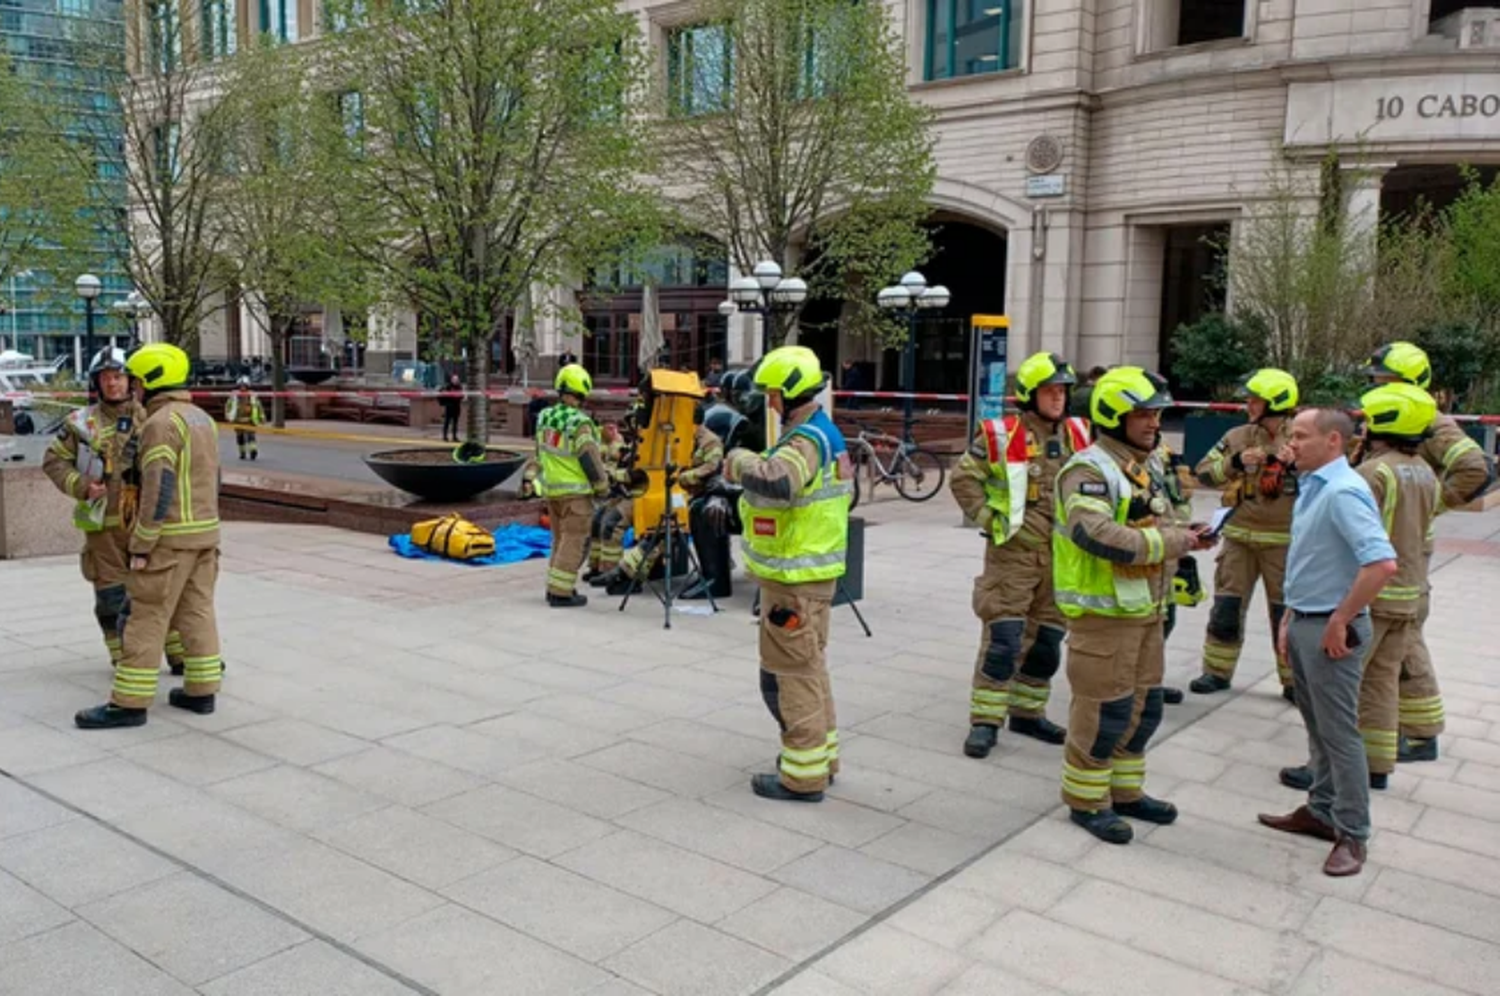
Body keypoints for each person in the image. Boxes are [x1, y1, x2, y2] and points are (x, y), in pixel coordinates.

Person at [1054, 367, 1216, 843]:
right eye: (1143, 413)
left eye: (1157, 413)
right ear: (1113, 415)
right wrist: (1173, 541)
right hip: (1103, 615)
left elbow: (1165, 517)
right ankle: (1087, 801)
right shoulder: (1089, 469)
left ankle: (1126, 791)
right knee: (1105, 712)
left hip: (1146, 608)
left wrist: (1190, 536)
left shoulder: (1150, 464)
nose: (1153, 422)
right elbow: (1097, 535)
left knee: (1143, 710)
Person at [1258, 408, 1399, 878]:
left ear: (1333, 441)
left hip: (1330, 629)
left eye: (1300, 436)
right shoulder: (1315, 484)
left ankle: (1353, 835)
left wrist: (1340, 619)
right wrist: (1292, 616)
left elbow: (1380, 563)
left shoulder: (1342, 491)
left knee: (1340, 734)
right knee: (1317, 726)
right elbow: (1313, 560)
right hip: (1306, 620)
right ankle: (1320, 811)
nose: (1290, 443)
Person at [1281, 384, 1438, 794]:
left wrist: (1341, 613)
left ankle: (1331, 779)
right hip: (1411, 591)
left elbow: (1362, 546)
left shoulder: (1369, 473)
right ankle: (1378, 764)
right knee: (1383, 682)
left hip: (1368, 597)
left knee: (1338, 699)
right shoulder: (1424, 470)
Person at [724, 346, 852, 802]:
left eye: (773, 392)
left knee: (788, 675)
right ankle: (822, 759)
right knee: (810, 668)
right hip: (813, 577)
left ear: (791, 390)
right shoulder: (827, 434)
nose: (769, 401)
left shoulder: (805, 441)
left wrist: (738, 460)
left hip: (794, 584)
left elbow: (779, 480)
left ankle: (802, 776)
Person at [75, 343, 225, 729]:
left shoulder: (161, 424)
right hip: (205, 535)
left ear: (152, 381)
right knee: (197, 612)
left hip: (170, 538)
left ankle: (129, 703)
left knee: (146, 616)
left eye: (136, 380)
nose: (133, 388)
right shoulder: (200, 419)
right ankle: (202, 690)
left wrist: (142, 544)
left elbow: (158, 488)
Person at [950, 352, 1091, 757]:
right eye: (1050, 391)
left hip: (1061, 559)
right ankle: (985, 721)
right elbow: (964, 478)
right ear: (1030, 394)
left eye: (1063, 391)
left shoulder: (1080, 434)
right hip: (1013, 557)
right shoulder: (1000, 434)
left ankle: (1028, 713)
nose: (1059, 398)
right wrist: (989, 519)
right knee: (1003, 641)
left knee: (1047, 641)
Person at [1363, 342, 1495, 762]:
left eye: (1382, 378)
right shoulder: (1394, 413)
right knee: (1403, 636)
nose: (1375, 383)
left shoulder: (1430, 421)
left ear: (1404, 380)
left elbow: (1477, 468)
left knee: (1404, 636)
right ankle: (1414, 728)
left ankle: (1419, 732)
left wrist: (1431, 501)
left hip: (1404, 547)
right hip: (1390, 542)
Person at [43, 347, 186, 675]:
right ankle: (124, 658)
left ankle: (180, 655)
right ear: (97, 382)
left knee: (160, 591)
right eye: (106, 377)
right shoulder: (81, 423)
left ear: (131, 380)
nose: (113, 384)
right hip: (102, 527)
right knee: (110, 597)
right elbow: (53, 461)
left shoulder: (152, 417)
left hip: (146, 522)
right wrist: (81, 485)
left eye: (119, 376)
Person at [1190, 368, 1300, 700]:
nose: (1248, 405)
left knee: (1286, 615)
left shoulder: (1302, 437)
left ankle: (1294, 682)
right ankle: (1216, 672)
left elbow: (1334, 477)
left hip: (1284, 544)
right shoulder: (1238, 436)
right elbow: (1203, 473)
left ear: (1276, 403)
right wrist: (1235, 461)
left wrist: (1297, 465)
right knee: (1226, 607)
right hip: (1239, 539)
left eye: (1255, 400)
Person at [599, 399, 725, 595]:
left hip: (687, 495)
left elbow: (712, 467)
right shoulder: (675, 436)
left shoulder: (710, 441)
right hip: (658, 490)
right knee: (613, 519)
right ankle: (612, 571)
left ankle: (628, 574)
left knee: (658, 531)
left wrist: (685, 477)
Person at [521, 364, 608, 607]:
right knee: (574, 540)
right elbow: (589, 457)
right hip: (576, 494)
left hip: (552, 492)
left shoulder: (545, 418)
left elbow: (539, 454)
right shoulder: (579, 422)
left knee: (559, 540)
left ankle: (553, 587)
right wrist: (602, 486)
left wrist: (530, 479)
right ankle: (561, 593)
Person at [1153, 434, 1204, 706]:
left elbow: (1176, 500)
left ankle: (1150, 681)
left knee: (1166, 619)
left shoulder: (1163, 451)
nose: (1153, 421)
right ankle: (1140, 683)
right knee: (1149, 625)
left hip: (1172, 549)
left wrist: (1187, 532)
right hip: (1150, 549)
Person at [225, 376, 264, 461]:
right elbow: (228, 406)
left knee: (251, 436)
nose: (243, 388)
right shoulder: (234, 396)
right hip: (238, 420)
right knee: (240, 437)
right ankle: (242, 452)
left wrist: (261, 416)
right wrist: (228, 415)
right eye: (241, 386)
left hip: (250, 420)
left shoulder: (252, 396)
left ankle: (253, 451)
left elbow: (258, 407)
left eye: (244, 386)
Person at [438, 374, 463, 443]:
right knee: (447, 422)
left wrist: (459, 396)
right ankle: (445, 436)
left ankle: (454, 437)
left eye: (457, 379)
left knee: (455, 423)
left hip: (456, 407)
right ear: (452, 380)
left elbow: (462, 396)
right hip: (449, 407)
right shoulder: (447, 386)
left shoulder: (459, 387)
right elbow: (441, 393)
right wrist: (444, 403)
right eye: (454, 379)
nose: (456, 381)